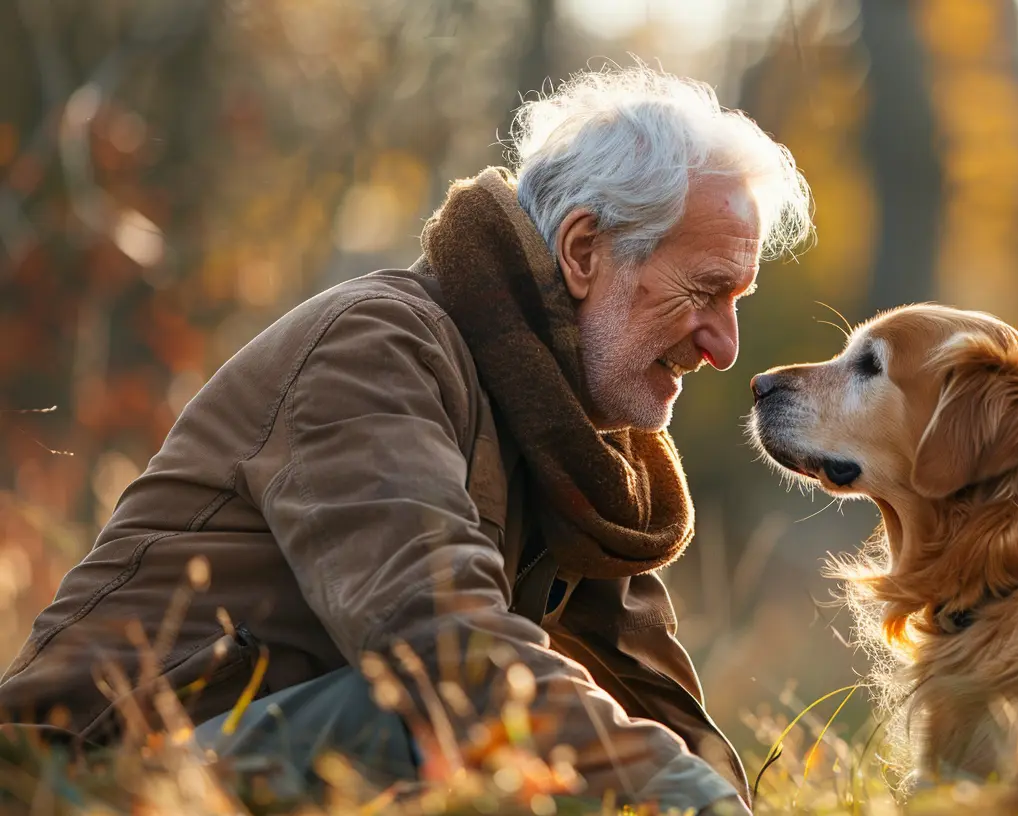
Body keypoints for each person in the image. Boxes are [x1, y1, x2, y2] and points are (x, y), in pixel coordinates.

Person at [0, 65, 812, 813]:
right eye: (706, 291)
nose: (726, 348)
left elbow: (650, 706)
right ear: (581, 251)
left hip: (240, 762)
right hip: (85, 777)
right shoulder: (376, 347)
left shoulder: (579, 443)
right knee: (438, 726)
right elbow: (439, 650)